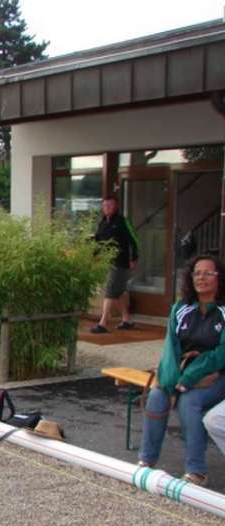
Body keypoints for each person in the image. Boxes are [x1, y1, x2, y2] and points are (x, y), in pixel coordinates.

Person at [138, 254, 225, 487]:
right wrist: (175, 382)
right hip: (183, 375)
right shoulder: (180, 308)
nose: (201, 278)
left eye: (208, 273)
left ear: (219, 278)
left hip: (217, 376)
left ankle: (197, 470)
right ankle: (146, 461)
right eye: (197, 273)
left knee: (190, 402)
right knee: (157, 396)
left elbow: (222, 353)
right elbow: (171, 350)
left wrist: (190, 379)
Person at [91, 196, 139, 333]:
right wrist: (94, 256)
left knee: (110, 290)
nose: (107, 208)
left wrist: (134, 257)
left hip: (120, 262)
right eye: (105, 205)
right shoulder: (102, 223)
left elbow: (134, 240)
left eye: (110, 205)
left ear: (116, 206)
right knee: (119, 292)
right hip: (106, 261)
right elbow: (97, 240)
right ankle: (127, 320)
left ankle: (103, 323)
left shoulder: (122, 222)